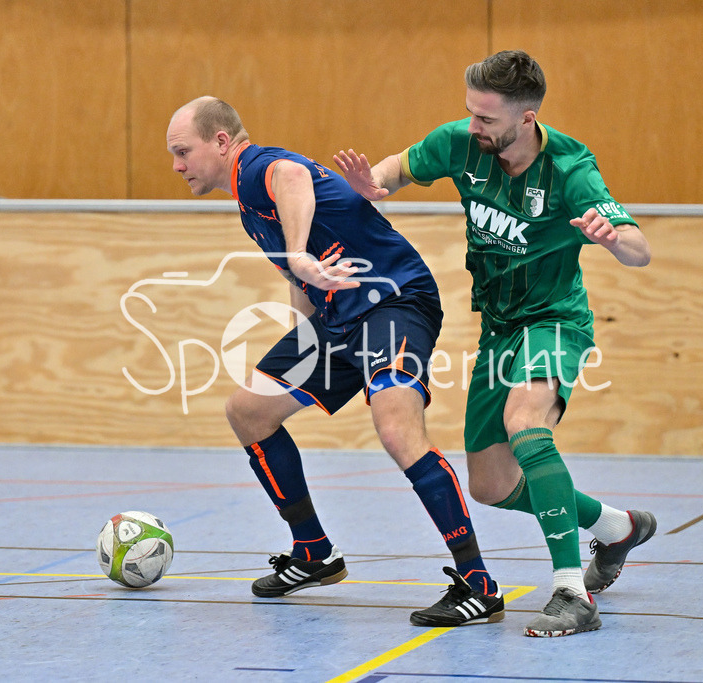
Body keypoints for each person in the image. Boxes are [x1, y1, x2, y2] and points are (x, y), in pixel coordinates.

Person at [333, 50, 657, 637]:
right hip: (499, 329)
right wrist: (371, 185)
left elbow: (640, 249)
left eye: (486, 118)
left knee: (526, 423)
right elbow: (399, 167)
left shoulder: (570, 168)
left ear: (527, 118)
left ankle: (571, 592)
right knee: (490, 485)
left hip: (553, 320)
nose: (473, 125)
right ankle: (617, 528)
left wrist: (614, 238)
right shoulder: (460, 143)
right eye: (470, 112)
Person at [166, 96, 504, 627]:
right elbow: (299, 277)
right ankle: (313, 552)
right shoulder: (248, 207)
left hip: (392, 299)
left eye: (183, 151)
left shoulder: (255, 168)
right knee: (249, 410)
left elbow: (293, 177)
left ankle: (478, 584)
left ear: (222, 142)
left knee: (396, 427)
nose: (177, 165)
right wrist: (301, 339)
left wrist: (298, 251)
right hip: (337, 318)